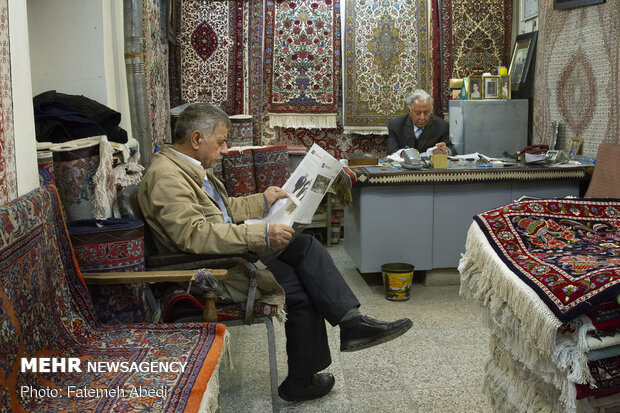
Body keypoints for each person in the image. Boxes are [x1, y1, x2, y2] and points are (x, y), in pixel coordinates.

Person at [138, 103, 413, 403]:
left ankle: (351, 322)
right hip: (212, 270)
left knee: (306, 245)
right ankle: (304, 379)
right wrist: (262, 233)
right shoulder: (167, 178)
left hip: (230, 255)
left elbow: (224, 211)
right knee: (299, 288)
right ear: (196, 139)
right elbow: (195, 236)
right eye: (220, 142)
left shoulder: (187, 168)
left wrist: (263, 201)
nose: (225, 149)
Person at [386, 89, 456, 156]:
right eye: (418, 113)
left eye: (426, 113)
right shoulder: (396, 125)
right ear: (409, 110)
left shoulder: (441, 125)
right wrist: (403, 153)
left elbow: (452, 150)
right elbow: (391, 151)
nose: (422, 117)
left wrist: (445, 151)